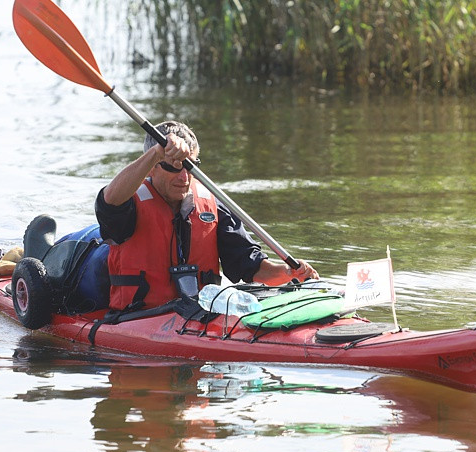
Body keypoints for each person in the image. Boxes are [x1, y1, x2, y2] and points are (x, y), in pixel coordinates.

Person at [95, 120, 318, 312]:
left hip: (198, 316)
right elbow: (108, 201)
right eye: (174, 167)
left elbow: (250, 266)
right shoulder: (128, 204)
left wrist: (290, 272)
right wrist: (156, 153)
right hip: (138, 318)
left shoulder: (213, 204)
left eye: (190, 167)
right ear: (152, 167)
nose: (184, 177)